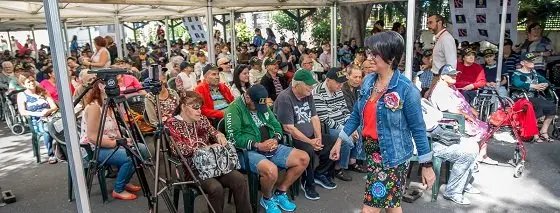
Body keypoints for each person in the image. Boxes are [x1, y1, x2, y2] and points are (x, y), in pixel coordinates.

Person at [330, 31, 435, 212]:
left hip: (394, 156)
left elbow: (418, 129)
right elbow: (356, 113)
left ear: (391, 57)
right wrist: (340, 140)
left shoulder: (406, 90)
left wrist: (427, 165)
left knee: (369, 209)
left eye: (374, 54)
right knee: (391, 205)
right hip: (372, 153)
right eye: (369, 53)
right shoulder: (368, 81)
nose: (369, 58)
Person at [225, 85, 309, 213]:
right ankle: (267, 198)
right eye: (256, 107)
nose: (260, 109)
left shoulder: (261, 104)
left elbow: (276, 125)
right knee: (271, 171)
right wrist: (257, 145)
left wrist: (275, 139)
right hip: (248, 152)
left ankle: (280, 192)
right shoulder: (234, 109)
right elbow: (233, 138)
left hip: (270, 146)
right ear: (248, 98)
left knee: (303, 158)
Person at [165, 91, 251, 213]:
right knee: (216, 188)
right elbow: (178, 149)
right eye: (195, 108)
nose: (199, 111)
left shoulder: (202, 119)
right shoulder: (172, 123)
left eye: (200, 107)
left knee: (240, 180)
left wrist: (220, 136)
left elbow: (213, 132)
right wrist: (205, 149)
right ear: (183, 107)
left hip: (213, 164)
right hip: (190, 168)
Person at [80, 78, 148, 200]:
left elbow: (113, 131)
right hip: (94, 149)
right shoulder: (94, 107)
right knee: (129, 156)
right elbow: (92, 137)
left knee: (142, 149)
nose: (118, 87)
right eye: (115, 84)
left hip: (111, 143)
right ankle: (118, 189)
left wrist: (124, 140)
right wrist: (116, 142)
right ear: (101, 86)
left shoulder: (109, 104)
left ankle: (125, 180)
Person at [274, 69, 337, 201]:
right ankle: (307, 183)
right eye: (308, 84)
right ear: (297, 84)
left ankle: (319, 174)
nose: (311, 87)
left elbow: (315, 117)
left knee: (333, 141)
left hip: (309, 136)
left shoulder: (308, 95)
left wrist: (318, 137)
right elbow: (289, 128)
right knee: (308, 150)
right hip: (293, 139)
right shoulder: (285, 98)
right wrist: (310, 142)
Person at [430, 64, 496, 165]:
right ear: (442, 76)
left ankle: (482, 155)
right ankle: (472, 156)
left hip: (461, 117)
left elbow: (462, 100)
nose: (454, 76)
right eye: (451, 75)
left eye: (455, 74)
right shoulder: (440, 89)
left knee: (486, 126)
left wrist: (471, 109)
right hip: (451, 121)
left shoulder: (451, 87)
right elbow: (451, 109)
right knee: (480, 129)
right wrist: (466, 115)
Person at [313, 67, 365, 182]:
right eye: (337, 82)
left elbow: (345, 110)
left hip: (341, 122)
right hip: (328, 127)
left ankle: (352, 161)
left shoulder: (338, 89)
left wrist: (350, 125)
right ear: (328, 80)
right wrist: (345, 129)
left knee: (359, 129)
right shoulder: (317, 93)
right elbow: (325, 119)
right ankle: (338, 168)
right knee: (344, 137)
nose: (340, 86)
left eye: (341, 83)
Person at [511, 52, 556, 143]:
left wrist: (544, 84)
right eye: (530, 61)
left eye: (533, 60)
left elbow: (545, 80)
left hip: (534, 97)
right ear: (523, 63)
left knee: (552, 107)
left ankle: (543, 131)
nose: (533, 62)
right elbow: (517, 83)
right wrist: (534, 86)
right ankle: (534, 133)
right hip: (521, 98)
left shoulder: (534, 73)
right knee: (538, 106)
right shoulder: (517, 73)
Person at [17, 73, 59, 164]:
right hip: (35, 120)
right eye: (28, 82)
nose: (31, 83)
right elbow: (22, 111)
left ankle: (63, 150)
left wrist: (48, 111)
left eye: (32, 81)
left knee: (58, 126)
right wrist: (38, 113)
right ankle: (51, 154)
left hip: (50, 116)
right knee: (47, 129)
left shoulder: (43, 91)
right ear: (23, 84)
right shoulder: (22, 95)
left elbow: (54, 106)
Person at [426, 14, 457, 98]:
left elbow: (451, 64)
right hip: (436, 77)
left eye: (430, 23)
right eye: (427, 23)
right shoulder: (440, 37)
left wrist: (447, 83)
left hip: (442, 80)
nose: (428, 26)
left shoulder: (446, 38)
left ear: (439, 23)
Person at [341, 65, 366, 161]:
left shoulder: (358, 89)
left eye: (360, 77)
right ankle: (356, 159)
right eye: (355, 77)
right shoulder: (343, 89)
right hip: (345, 118)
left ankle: (357, 158)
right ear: (347, 76)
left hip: (355, 116)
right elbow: (349, 110)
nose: (358, 80)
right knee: (360, 127)